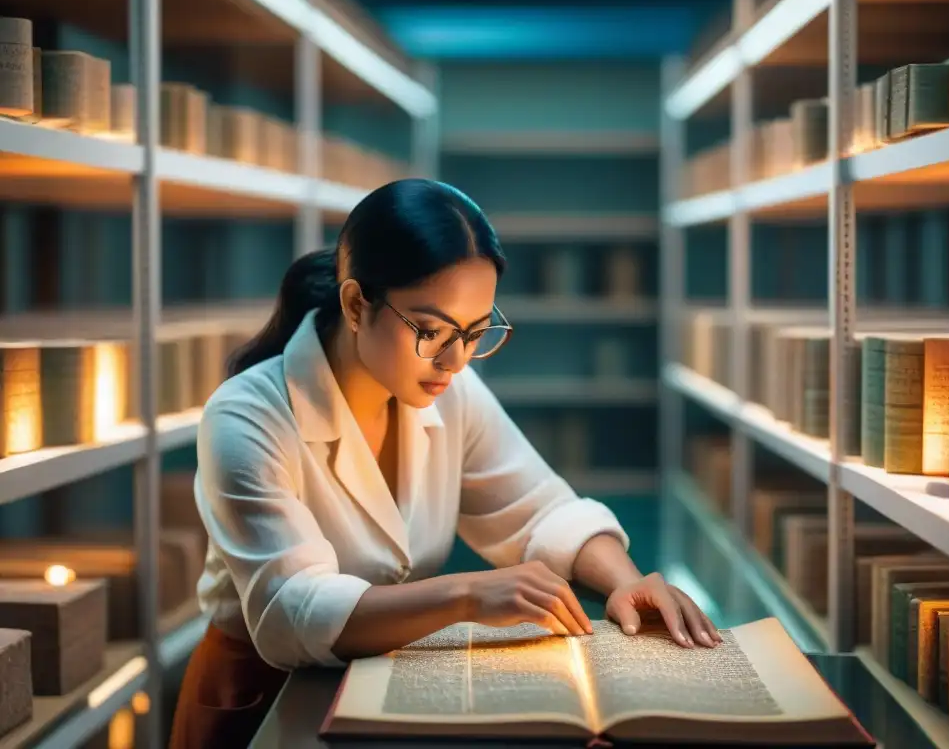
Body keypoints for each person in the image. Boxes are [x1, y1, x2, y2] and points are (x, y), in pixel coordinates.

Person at [168, 178, 720, 748]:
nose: (455, 361)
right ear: (357, 304)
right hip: (266, 699)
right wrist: (467, 596)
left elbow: (539, 509)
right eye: (429, 331)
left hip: (384, 683)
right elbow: (290, 614)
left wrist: (628, 583)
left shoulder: (446, 388)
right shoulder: (246, 416)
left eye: (475, 333)